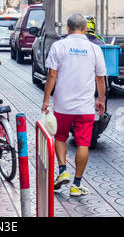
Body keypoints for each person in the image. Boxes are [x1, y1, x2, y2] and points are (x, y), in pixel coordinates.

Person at [41, 13, 106, 197]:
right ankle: (76, 184)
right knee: (83, 143)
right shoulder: (95, 49)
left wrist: (46, 100)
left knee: (60, 137)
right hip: (85, 106)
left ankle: (63, 171)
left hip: (62, 105)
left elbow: (51, 76)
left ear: (67, 28)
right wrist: (100, 100)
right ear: (86, 30)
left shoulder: (58, 46)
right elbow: (100, 78)